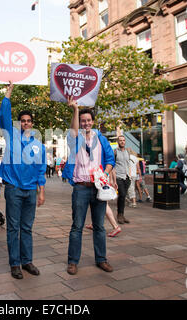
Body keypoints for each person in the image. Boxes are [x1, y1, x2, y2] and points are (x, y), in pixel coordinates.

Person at [0, 81, 46, 280]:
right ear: (19, 123)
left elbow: (41, 169)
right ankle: (15, 264)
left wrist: (41, 191)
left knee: (27, 228)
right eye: (23, 120)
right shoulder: (11, 136)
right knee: (13, 228)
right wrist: (9, 92)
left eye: (29, 120)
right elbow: (3, 117)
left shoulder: (38, 145)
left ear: (32, 123)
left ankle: (27, 262)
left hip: (30, 192)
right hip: (14, 189)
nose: (26, 123)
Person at [62, 96, 115, 275]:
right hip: (81, 187)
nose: (85, 123)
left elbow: (110, 159)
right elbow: (73, 131)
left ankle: (102, 259)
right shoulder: (75, 139)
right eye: (83, 121)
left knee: (99, 226)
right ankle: (73, 262)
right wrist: (75, 110)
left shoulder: (101, 139)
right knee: (77, 226)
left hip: (98, 187)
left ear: (93, 122)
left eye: (88, 120)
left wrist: (105, 174)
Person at [85, 168, 121, 238]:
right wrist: (113, 181)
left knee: (104, 204)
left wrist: (112, 180)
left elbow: (110, 166)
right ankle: (93, 223)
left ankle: (115, 226)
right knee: (96, 201)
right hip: (101, 177)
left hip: (101, 178)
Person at [114, 136, 130, 224]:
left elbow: (129, 164)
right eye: (120, 141)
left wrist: (130, 175)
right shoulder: (115, 152)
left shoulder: (128, 151)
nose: (122, 142)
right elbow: (112, 165)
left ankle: (122, 214)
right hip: (118, 176)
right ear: (118, 142)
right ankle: (119, 215)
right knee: (122, 194)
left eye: (123, 140)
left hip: (127, 177)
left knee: (123, 197)